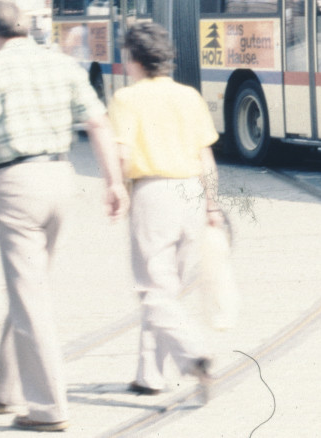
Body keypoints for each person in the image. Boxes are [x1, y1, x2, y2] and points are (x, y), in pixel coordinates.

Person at [0, 0, 128, 432]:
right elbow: (98, 124)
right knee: (31, 286)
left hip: (16, 183)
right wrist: (113, 183)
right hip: (62, 177)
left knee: (29, 294)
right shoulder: (63, 66)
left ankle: (48, 407)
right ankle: (5, 386)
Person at [107, 23, 219, 400]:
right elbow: (206, 156)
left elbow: (121, 153)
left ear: (132, 58)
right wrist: (213, 205)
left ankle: (193, 355)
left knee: (153, 290)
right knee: (169, 290)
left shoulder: (126, 98)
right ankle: (149, 374)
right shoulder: (189, 96)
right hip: (191, 193)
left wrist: (118, 191)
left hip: (154, 193)